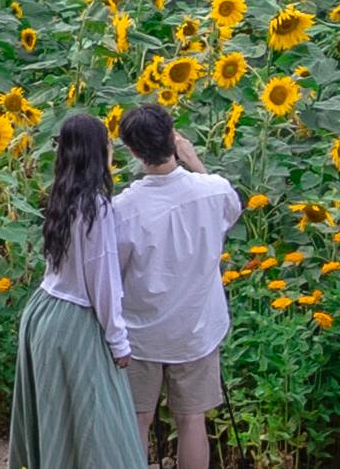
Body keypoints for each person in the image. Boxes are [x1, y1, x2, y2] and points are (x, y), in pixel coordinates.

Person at [107, 101, 242, 469]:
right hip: (197, 329)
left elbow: (113, 273)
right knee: (192, 420)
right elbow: (230, 206)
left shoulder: (124, 209)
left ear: (133, 151)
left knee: (136, 419)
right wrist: (193, 160)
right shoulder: (213, 191)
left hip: (140, 335)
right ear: (172, 137)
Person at [5, 111, 141, 469]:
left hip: (43, 313)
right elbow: (103, 279)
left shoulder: (62, 195)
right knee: (98, 426)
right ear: (99, 152)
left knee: (56, 421)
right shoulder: (96, 206)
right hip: (74, 322)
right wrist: (119, 341)